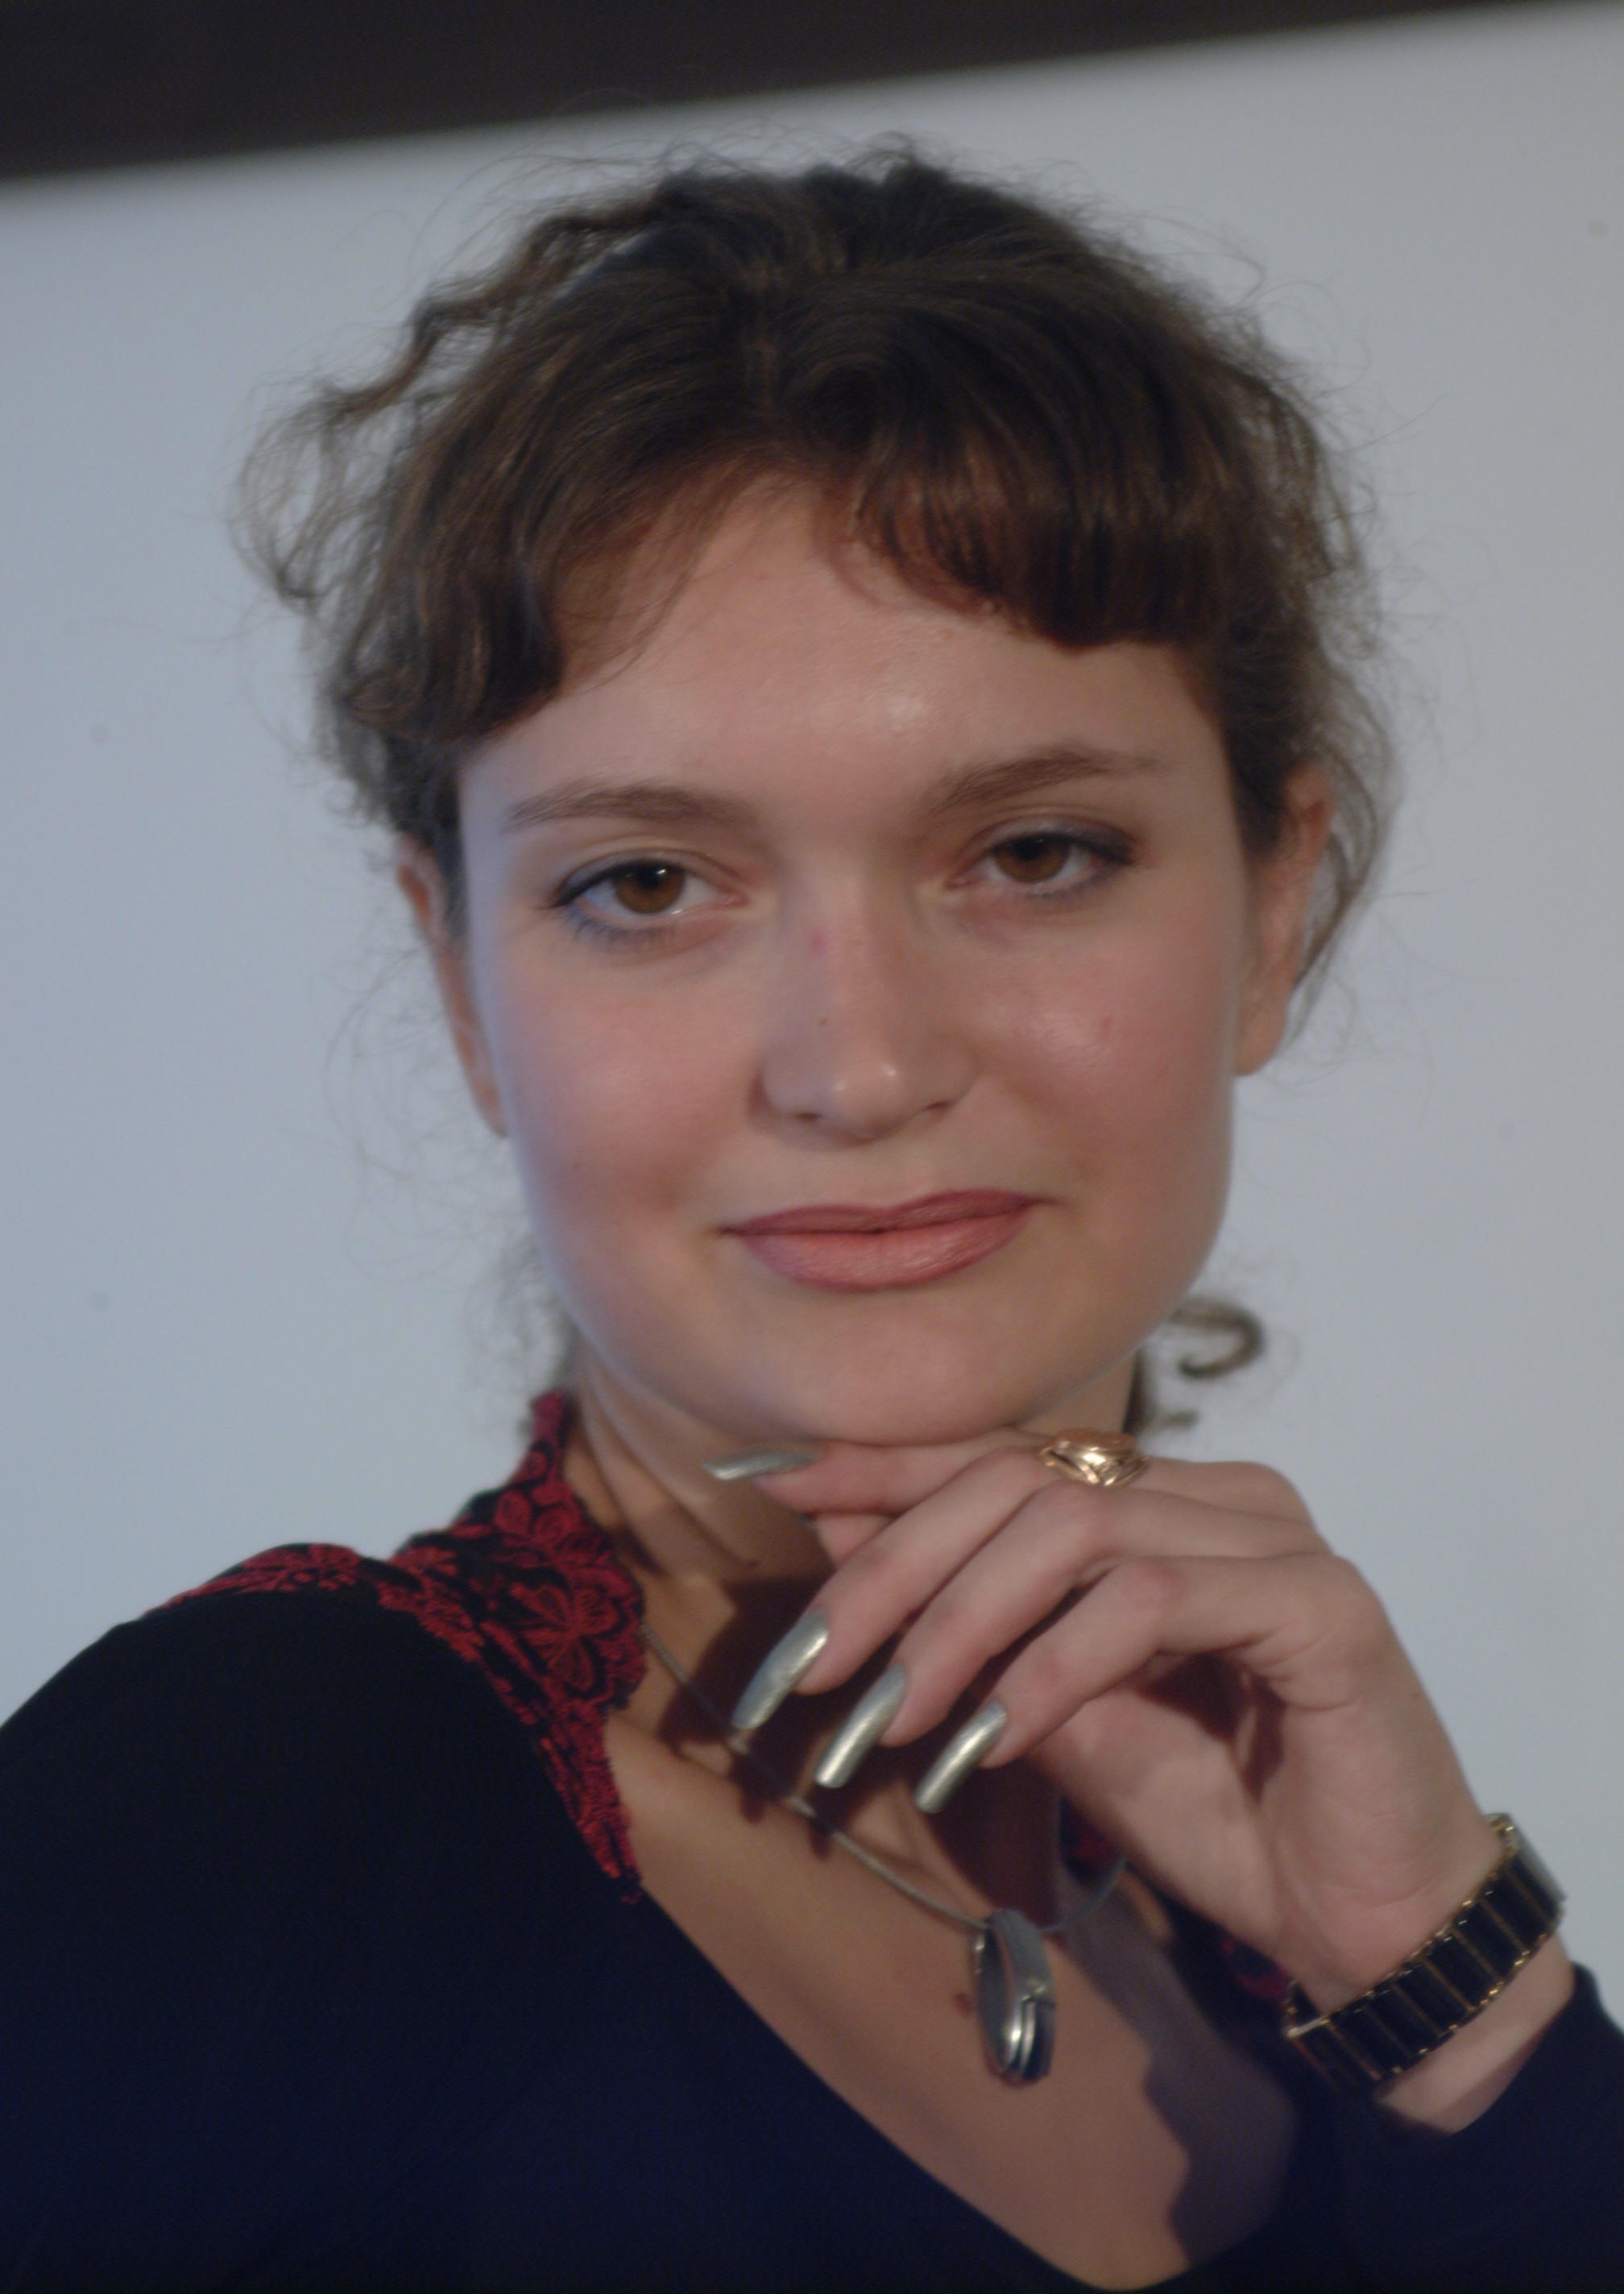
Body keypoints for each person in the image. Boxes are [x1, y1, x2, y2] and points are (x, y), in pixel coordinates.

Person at [2, 151, 1618, 2294]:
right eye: (649, 884)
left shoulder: (1298, 1924)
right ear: (462, 985)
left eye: (1032, 852)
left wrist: (1462, 2004)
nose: (855, 1068)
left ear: (1273, 908)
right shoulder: (247, 1816)